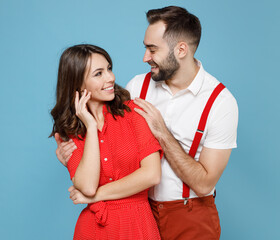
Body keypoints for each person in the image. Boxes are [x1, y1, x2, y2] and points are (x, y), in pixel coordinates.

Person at [55, 6, 239, 240]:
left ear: (181, 49)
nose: (145, 58)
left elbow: (204, 184)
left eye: (152, 49)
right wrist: (72, 158)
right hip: (141, 211)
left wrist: (162, 133)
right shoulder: (136, 88)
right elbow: (108, 143)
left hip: (188, 213)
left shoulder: (220, 103)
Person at [50, 44, 163, 239]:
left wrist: (96, 196)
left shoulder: (133, 113)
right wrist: (91, 127)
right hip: (94, 229)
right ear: (77, 83)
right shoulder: (69, 132)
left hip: (138, 225)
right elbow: (87, 186)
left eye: (109, 69)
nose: (111, 77)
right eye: (98, 73)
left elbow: (152, 175)